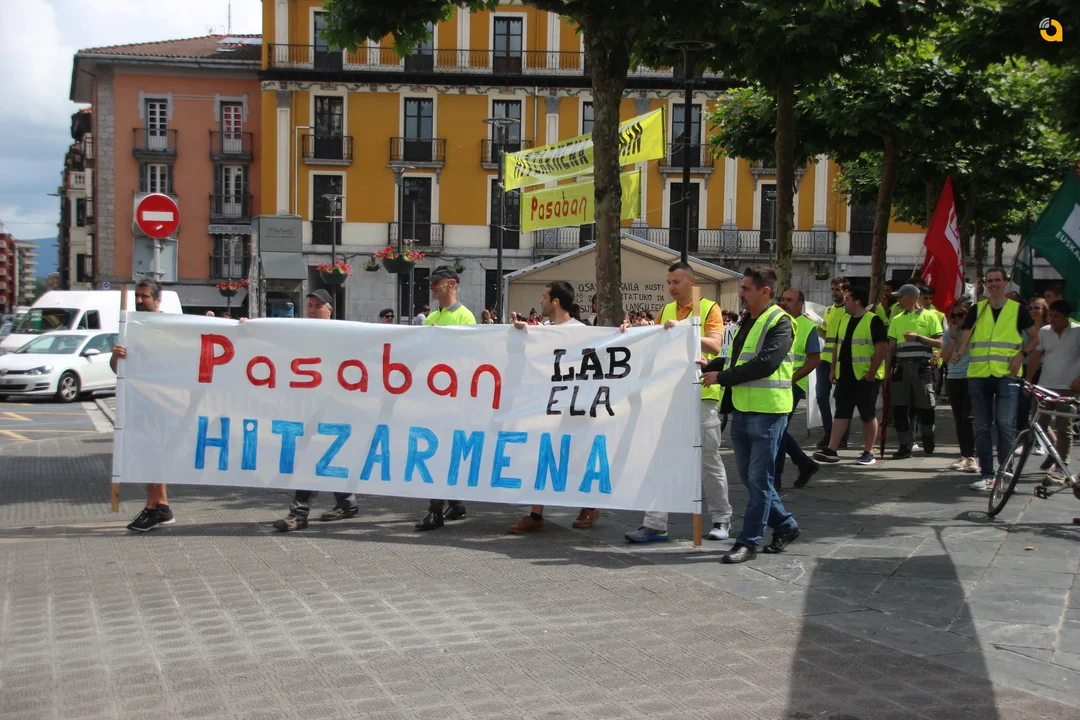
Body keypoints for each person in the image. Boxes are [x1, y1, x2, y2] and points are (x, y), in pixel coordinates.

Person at [625, 261, 733, 543]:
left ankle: (721, 519)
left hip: (702, 395)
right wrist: (631, 332)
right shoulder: (665, 311)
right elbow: (654, 344)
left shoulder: (710, 308)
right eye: (669, 282)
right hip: (671, 393)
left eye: (676, 282)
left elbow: (715, 345)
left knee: (709, 461)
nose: (671, 287)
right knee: (659, 457)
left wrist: (683, 330)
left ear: (691, 282)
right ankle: (655, 523)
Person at [701, 266, 799, 564]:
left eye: (745, 288)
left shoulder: (781, 321)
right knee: (750, 478)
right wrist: (709, 365)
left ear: (765, 291)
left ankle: (748, 541)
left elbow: (766, 363)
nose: (741, 293)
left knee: (759, 479)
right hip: (743, 408)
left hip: (769, 411)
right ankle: (786, 525)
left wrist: (721, 377)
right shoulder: (747, 320)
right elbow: (735, 359)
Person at [506, 281, 601, 534]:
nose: (541, 301)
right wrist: (521, 333)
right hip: (546, 407)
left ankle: (590, 506)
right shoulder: (544, 331)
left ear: (555, 302)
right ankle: (536, 515)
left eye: (544, 296)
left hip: (573, 408)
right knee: (542, 456)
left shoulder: (581, 331)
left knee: (576, 456)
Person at [273, 290, 361, 531]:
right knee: (325, 454)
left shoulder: (344, 334)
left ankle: (299, 512)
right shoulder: (300, 333)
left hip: (334, 406)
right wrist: (246, 327)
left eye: (318, 306)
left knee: (313, 453)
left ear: (330, 310)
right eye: (309, 305)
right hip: (309, 405)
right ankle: (347, 502)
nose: (311, 310)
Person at [951, 267, 1037, 491]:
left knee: (1005, 423)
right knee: (982, 427)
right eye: (989, 281)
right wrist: (959, 352)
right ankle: (987, 475)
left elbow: (1034, 338)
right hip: (979, 374)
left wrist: (1021, 355)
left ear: (1005, 282)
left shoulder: (1017, 310)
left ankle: (1006, 475)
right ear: (985, 284)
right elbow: (966, 336)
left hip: (1007, 375)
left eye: (997, 280)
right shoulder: (977, 309)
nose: (993, 284)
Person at [110, 280, 177, 532]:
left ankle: (151, 509)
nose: (139, 301)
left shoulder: (171, 328)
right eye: (137, 296)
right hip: (140, 403)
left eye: (144, 296)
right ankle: (163, 507)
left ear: (158, 300)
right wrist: (116, 356)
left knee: (155, 454)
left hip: (165, 404)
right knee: (150, 453)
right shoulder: (131, 328)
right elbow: (117, 369)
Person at [416, 266, 477, 530]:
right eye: (431, 283)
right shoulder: (431, 318)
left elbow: (469, 356)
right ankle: (456, 503)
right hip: (434, 395)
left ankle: (435, 509)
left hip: (453, 396)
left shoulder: (465, 317)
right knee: (444, 450)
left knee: (440, 452)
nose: (431, 286)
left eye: (436, 282)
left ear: (451, 284)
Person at [813, 286, 887, 467]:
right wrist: (833, 369)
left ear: (857, 302)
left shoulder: (873, 320)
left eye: (847, 299)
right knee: (841, 413)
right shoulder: (844, 319)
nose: (844, 302)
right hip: (845, 375)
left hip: (865, 377)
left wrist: (871, 373)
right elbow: (837, 346)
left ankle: (869, 452)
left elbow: (881, 348)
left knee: (867, 415)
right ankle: (831, 450)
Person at [884, 284, 943, 458]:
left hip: (922, 368)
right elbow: (891, 347)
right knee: (900, 408)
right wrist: (886, 372)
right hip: (901, 368)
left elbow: (941, 342)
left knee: (926, 406)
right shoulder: (896, 319)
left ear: (910, 297)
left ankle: (927, 435)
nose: (898, 300)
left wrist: (918, 338)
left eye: (900, 297)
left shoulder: (930, 316)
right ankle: (905, 445)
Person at [1026, 300, 1080, 485]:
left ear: (1067, 317)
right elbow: (1035, 356)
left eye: (1057, 316)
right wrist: (1029, 380)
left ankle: (1061, 463)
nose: (1053, 319)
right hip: (1044, 385)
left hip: (1068, 387)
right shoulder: (1044, 332)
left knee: (1064, 426)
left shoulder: (1077, 332)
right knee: (1038, 423)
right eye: (1051, 315)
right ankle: (1054, 451)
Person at [776, 288, 821, 489]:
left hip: (793, 384)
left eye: (789, 300)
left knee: (777, 430)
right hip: (774, 383)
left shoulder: (808, 327)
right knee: (777, 429)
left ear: (800, 304)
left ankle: (776, 478)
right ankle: (804, 463)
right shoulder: (776, 321)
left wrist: (792, 379)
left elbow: (814, 360)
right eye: (783, 299)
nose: (784, 303)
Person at [939, 300, 977, 472]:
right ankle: (964, 455)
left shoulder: (976, 332)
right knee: (959, 418)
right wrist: (953, 338)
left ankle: (972, 456)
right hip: (953, 378)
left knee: (968, 417)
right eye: (953, 316)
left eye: (961, 315)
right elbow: (944, 357)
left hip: (971, 376)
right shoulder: (950, 333)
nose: (957, 319)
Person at [816, 277, 849, 449]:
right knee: (821, 397)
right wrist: (815, 326)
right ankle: (829, 432)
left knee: (842, 399)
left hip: (842, 360)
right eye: (832, 289)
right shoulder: (828, 310)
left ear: (845, 291)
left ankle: (841, 436)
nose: (834, 293)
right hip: (825, 359)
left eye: (837, 289)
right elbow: (825, 333)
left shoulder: (849, 310)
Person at [1017, 298, 1049, 439]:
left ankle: (1040, 439)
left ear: (1044, 310)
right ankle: (1021, 437)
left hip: (1044, 369)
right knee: (1023, 405)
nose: (1033, 311)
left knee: (1040, 407)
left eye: (1037, 307)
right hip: (1025, 368)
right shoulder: (1024, 329)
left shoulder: (1049, 328)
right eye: (1030, 308)